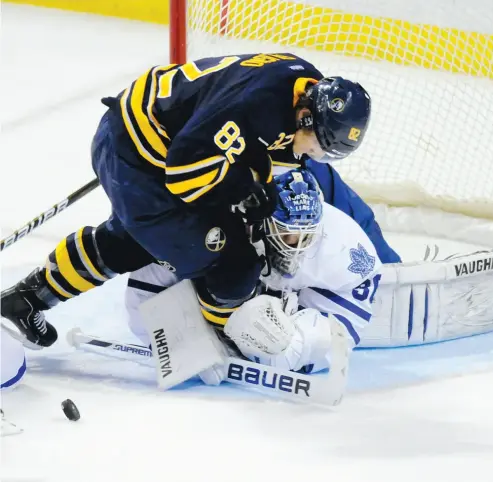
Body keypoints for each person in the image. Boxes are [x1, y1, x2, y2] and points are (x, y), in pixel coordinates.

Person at [1, 53, 372, 349]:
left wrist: (252, 185)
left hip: (159, 141)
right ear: (305, 116)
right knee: (233, 262)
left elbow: (252, 144)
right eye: (321, 148)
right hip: (140, 154)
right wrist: (243, 186)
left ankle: (27, 299)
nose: (315, 157)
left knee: (152, 240)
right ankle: (224, 338)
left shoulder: (301, 90)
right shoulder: (259, 104)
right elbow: (185, 172)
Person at [125, 168, 383, 377]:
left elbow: (345, 326)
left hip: (295, 299)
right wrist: (179, 345)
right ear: (261, 218)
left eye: (305, 235)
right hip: (219, 272)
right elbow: (146, 290)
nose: (294, 244)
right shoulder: (211, 226)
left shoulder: (343, 242)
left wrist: (297, 346)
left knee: (296, 339)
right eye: (285, 232)